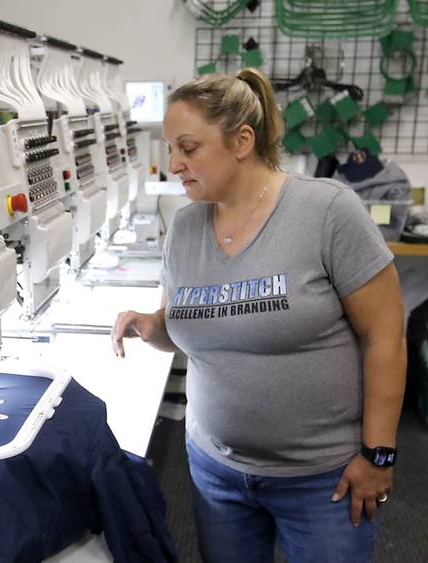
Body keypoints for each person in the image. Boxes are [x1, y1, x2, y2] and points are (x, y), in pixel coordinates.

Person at [111, 68, 407, 563]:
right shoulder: (184, 228)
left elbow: (386, 336)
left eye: (188, 148)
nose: (174, 164)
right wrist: (150, 325)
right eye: (170, 150)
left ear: (242, 140)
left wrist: (379, 454)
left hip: (323, 479)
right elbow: (190, 326)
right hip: (217, 473)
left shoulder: (327, 211)